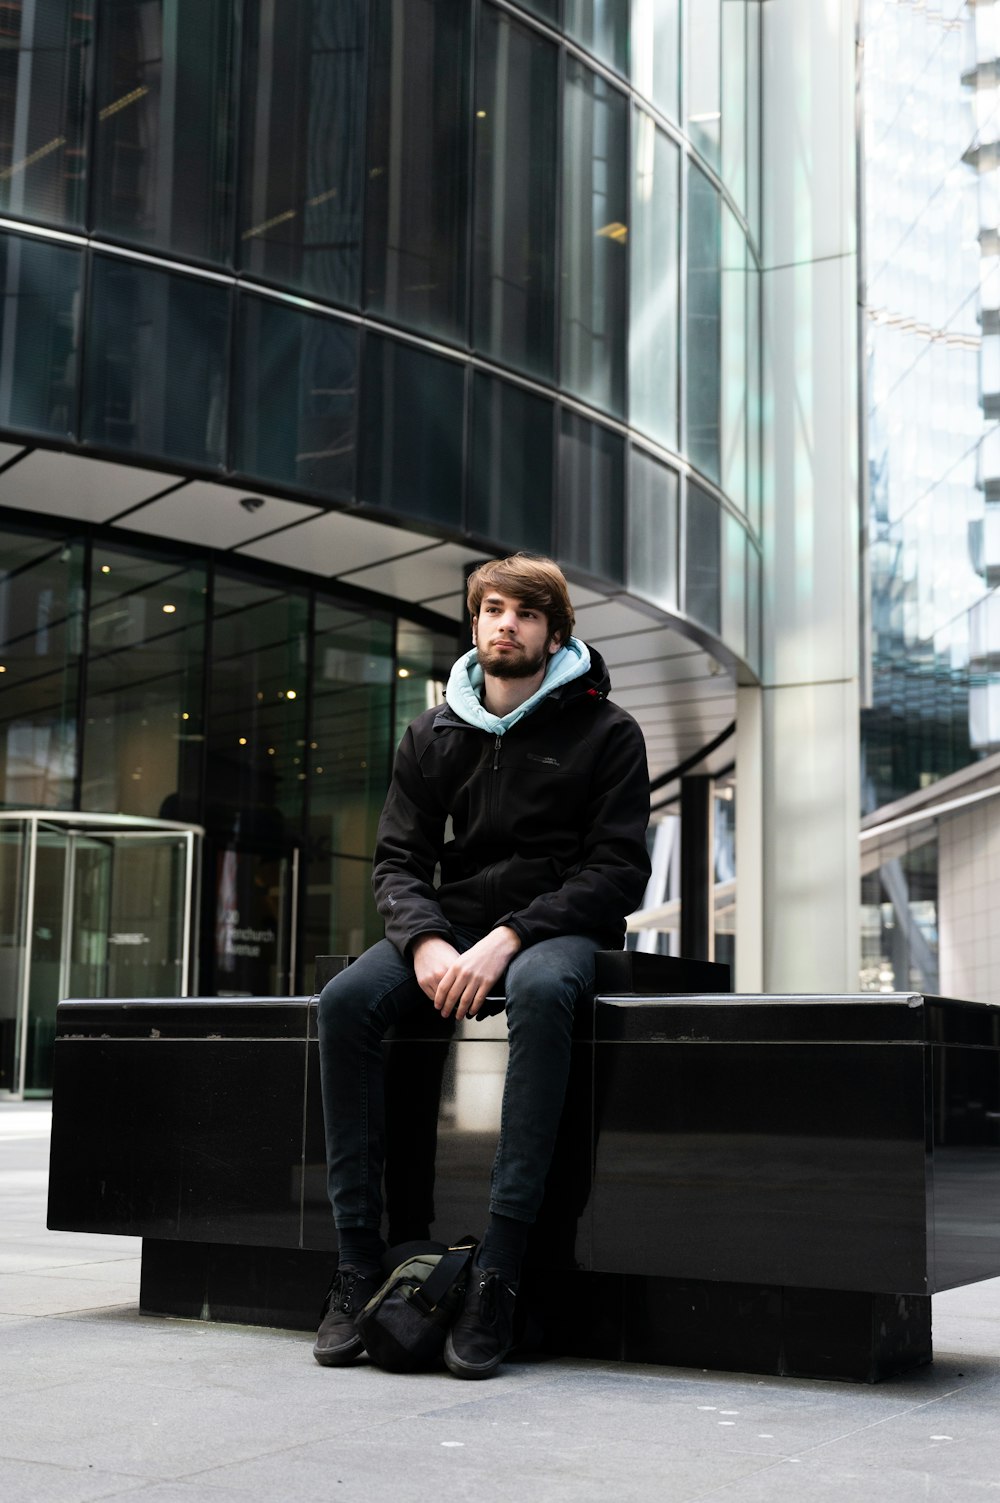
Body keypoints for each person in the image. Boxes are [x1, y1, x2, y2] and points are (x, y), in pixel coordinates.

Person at [314, 553, 650, 1379]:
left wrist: (508, 936)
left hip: (558, 923)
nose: (506, 623)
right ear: (475, 625)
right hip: (452, 926)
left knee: (540, 991)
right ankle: (359, 1259)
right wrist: (427, 941)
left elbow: (617, 872)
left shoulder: (608, 732)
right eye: (493, 609)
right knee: (344, 1001)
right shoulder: (432, 733)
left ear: (555, 631)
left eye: (526, 613)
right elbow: (396, 863)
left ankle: (500, 1266)